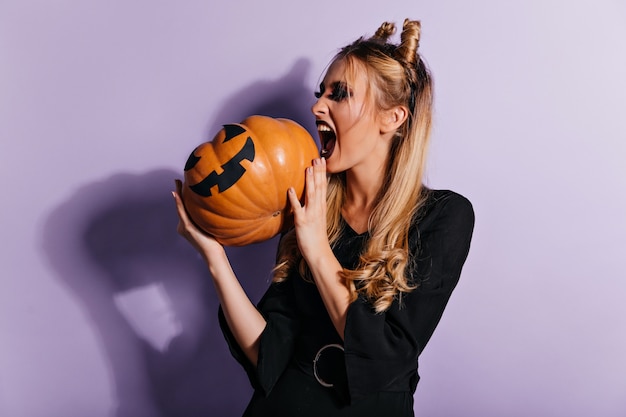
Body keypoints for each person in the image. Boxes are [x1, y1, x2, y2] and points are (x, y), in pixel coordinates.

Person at [173, 18, 474, 417]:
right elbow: (268, 355)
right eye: (320, 94)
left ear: (393, 118)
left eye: (340, 95)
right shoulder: (310, 208)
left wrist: (316, 247)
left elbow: (385, 357)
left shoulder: (445, 217)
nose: (316, 106)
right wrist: (214, 257)